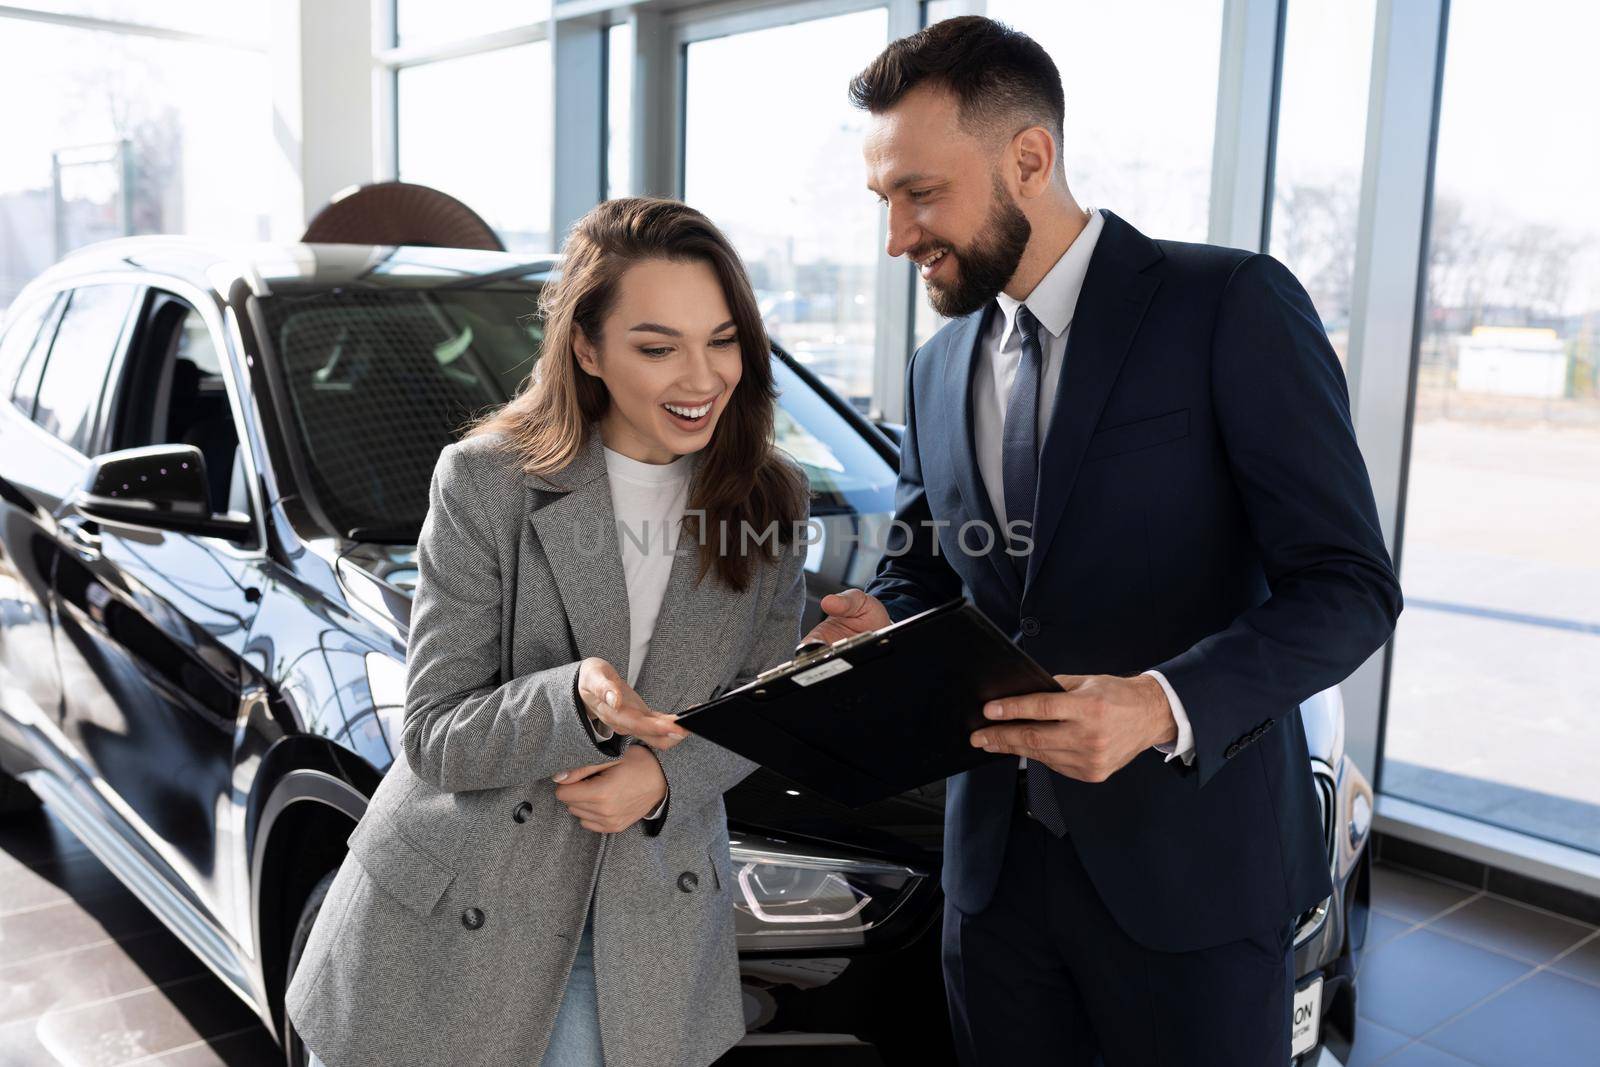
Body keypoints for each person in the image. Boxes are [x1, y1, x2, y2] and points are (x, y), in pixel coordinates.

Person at [804, 16, 1403, 1066]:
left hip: (1192, 880)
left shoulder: (1227, 305)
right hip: (992, 885)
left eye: (920, 193)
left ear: (1029, 158)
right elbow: (928, 564)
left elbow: (1349, 584)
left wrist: (1159, 703)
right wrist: (881, 618)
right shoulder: (937, 365)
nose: (895, 237)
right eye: (884, 201)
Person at [285, 197, 811, 1067]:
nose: (701, 376)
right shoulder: (486, 479)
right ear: (587, 348)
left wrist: (659, 775)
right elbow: (434, 735)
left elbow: (757, 704)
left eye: (722, 340)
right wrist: (573, 698)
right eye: (657, 346)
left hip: (651, 924)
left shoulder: (770, 500)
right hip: (468, 917)